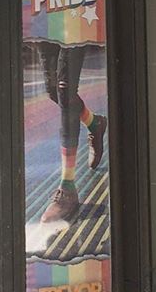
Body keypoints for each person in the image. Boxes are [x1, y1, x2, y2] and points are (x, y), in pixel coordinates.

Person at [37, 42, 107, 226]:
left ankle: (67, 186)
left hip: (74, 18)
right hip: (44, 17)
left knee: (65, 90)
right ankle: (95, 122)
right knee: (54, 92)